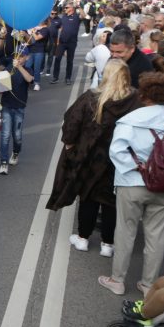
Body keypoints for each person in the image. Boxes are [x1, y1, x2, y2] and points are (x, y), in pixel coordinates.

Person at [99, 73, 164, 296]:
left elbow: (116, 151)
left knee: (125, 231)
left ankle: (117, 280)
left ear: (143, 94)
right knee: (156, 236)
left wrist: (135, 166)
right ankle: (148, 285)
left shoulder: (130, 120)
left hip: (132, 183)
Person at [46, 59, 140, 256]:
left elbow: (72, 122)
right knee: (111, 201)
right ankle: (108, 243)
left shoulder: (92, 98)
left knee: (88, 196)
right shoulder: (135, 100)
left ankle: (83, 238)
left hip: (91, 157)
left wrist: (70, 146)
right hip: (120, 160)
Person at [0, 52, 34, 175]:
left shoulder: (28, 69)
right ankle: (3, 162)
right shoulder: (8, 68)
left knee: (17, 135)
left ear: (26, 58)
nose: (17, 58)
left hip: (19, 107)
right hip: (6, 106)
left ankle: (15, 153)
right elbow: (0, 88)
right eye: (16, 56)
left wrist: (19, 67)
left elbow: (29, 79)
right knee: (5, 135)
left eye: (21, 56)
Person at [51, 2, 82, 85]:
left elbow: (84, 15)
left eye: (66, 7)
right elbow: (59, 28)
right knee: (57, 59)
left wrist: (79, 7)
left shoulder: (76, 16)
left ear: (72, 8)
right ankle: (55, 77)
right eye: (65, 7)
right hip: (62, 42)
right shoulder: (63, 17)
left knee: (69, 61)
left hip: (72, 42)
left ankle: (68, 78)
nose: (65, 9)